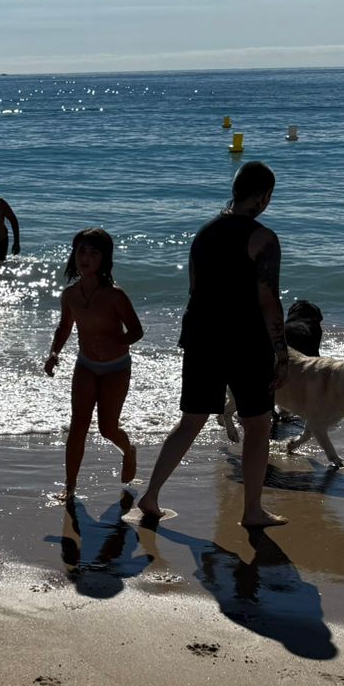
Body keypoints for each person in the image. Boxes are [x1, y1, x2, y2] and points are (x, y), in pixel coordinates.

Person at [137, 161, 289, 528]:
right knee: (257, 424)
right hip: (245, 340)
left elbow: (193, 287)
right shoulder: (263, 238)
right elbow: (269, 301)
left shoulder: (204, 232)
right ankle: (252, 511)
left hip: (202, 335)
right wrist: (281, 354)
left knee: (191, 420)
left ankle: (152, 494)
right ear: (265, 196)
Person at [44, 228, 144, 500]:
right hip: (86, 365)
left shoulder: (115, 295)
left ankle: (129, 451)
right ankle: (70, 485)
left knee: (107, 428)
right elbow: (64, 327)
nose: (86, 257)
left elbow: (137, 331)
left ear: (104, 259)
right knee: (78, 425)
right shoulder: (70, 295)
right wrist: (54, 353)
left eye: (94, 252)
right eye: (81, 251)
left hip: (116, 368)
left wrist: (117, 341)